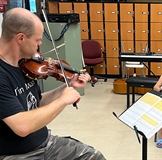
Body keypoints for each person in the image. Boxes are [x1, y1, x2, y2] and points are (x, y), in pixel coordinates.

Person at [0, 8, 106, 159]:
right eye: (37, 40)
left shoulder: (22, 64)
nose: (40, 43)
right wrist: (63, 101)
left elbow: (36, 101)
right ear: (21, 38)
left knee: (94, 156)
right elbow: (22, 127)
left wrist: (67, 86)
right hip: (16, 154)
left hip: (45, 143)